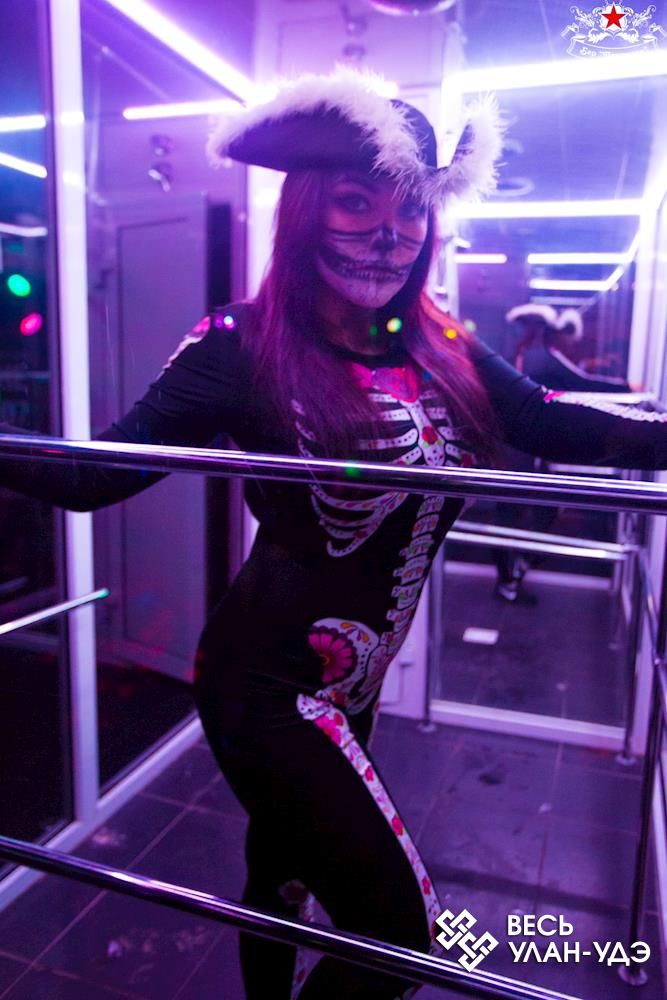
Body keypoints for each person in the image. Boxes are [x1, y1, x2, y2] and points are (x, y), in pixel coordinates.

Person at [2, 69, 667, 999]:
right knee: (399, 933)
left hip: (354, 683)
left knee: (280, 874)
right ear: (306, 212)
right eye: (356, 203)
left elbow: (550, 420)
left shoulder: (439, 343)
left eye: (410, 210)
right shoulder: (239, 343)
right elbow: (92, 474)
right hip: (264, 684)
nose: (389, 234)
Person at [494, 303, 634, 601]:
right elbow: (579, 384)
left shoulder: (522, 357)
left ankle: (513, 575)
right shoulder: (532, 358)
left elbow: (575, 384)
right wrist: (627, 389)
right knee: (517, 514)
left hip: (520, 452)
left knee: (525, 513)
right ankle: (509, 579)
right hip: (518, 454)